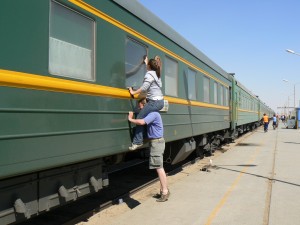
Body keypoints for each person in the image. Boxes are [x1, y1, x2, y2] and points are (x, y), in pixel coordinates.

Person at [128, 101, 170, 202]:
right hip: (156, 142)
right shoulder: (153, 114)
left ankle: (165, 192)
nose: (140, 110)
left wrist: (130, 119)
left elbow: (141, 122)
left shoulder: (153, 114)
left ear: (145, 105)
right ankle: (163, 190)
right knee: (159, 167)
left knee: (159, 168)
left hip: (157, 143)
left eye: (140, 107)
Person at [128, 58, 164, 150]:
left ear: (149, 67)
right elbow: (152, 69)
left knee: (140, 117)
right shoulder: (157, 73)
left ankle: (137, 142)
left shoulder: (149, 74)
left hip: (154, 102)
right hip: (160, 102)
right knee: (146, 116)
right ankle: (144, 137)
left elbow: (144, 88)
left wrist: (133, 92)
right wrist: (147, 62)